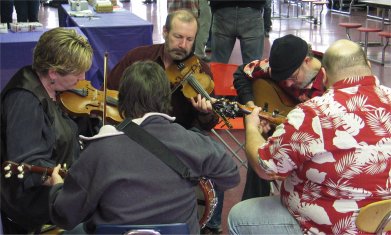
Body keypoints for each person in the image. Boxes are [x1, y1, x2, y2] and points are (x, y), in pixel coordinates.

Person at [48, 60, 241, 235]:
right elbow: (230, 176)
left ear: (122, 100)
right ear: (166, 99)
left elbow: (65, 215)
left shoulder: (99, 150)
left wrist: (57, 187)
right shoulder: (193, 142)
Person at [228, 39, 391, 234]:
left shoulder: (311, 113)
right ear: (369, 67)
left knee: (239, 216)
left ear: (325, 77)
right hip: (384, 224)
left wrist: (252, 128)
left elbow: (265, 167)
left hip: (328, 226)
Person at [0, 27, 93, 234]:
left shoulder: (54, 88)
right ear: (53, 72)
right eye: (77, 73)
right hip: (32, 205)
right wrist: (59, 178)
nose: (83, 78)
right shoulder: (24, 101)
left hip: (61, 188)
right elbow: (28, 161)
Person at [234, 34, 326, 201]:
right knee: (259, 150)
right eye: (283, 79)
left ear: (307, 61)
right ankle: (253, 205)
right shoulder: (279, 67)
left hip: (313, 143)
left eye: (292, 77)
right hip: (280, 132)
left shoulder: (331, 80)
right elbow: (242, 73)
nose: (288, 83)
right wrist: (253, 106)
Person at [108, 9, 218, 132]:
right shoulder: (138, 56)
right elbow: (109, 89)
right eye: (178, 37)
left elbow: (209, 124)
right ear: (165, 31)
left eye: (189, 39)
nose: (183, 45)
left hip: (176, 140)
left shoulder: (201, 71)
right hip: (133, 133)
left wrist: (204, 113)